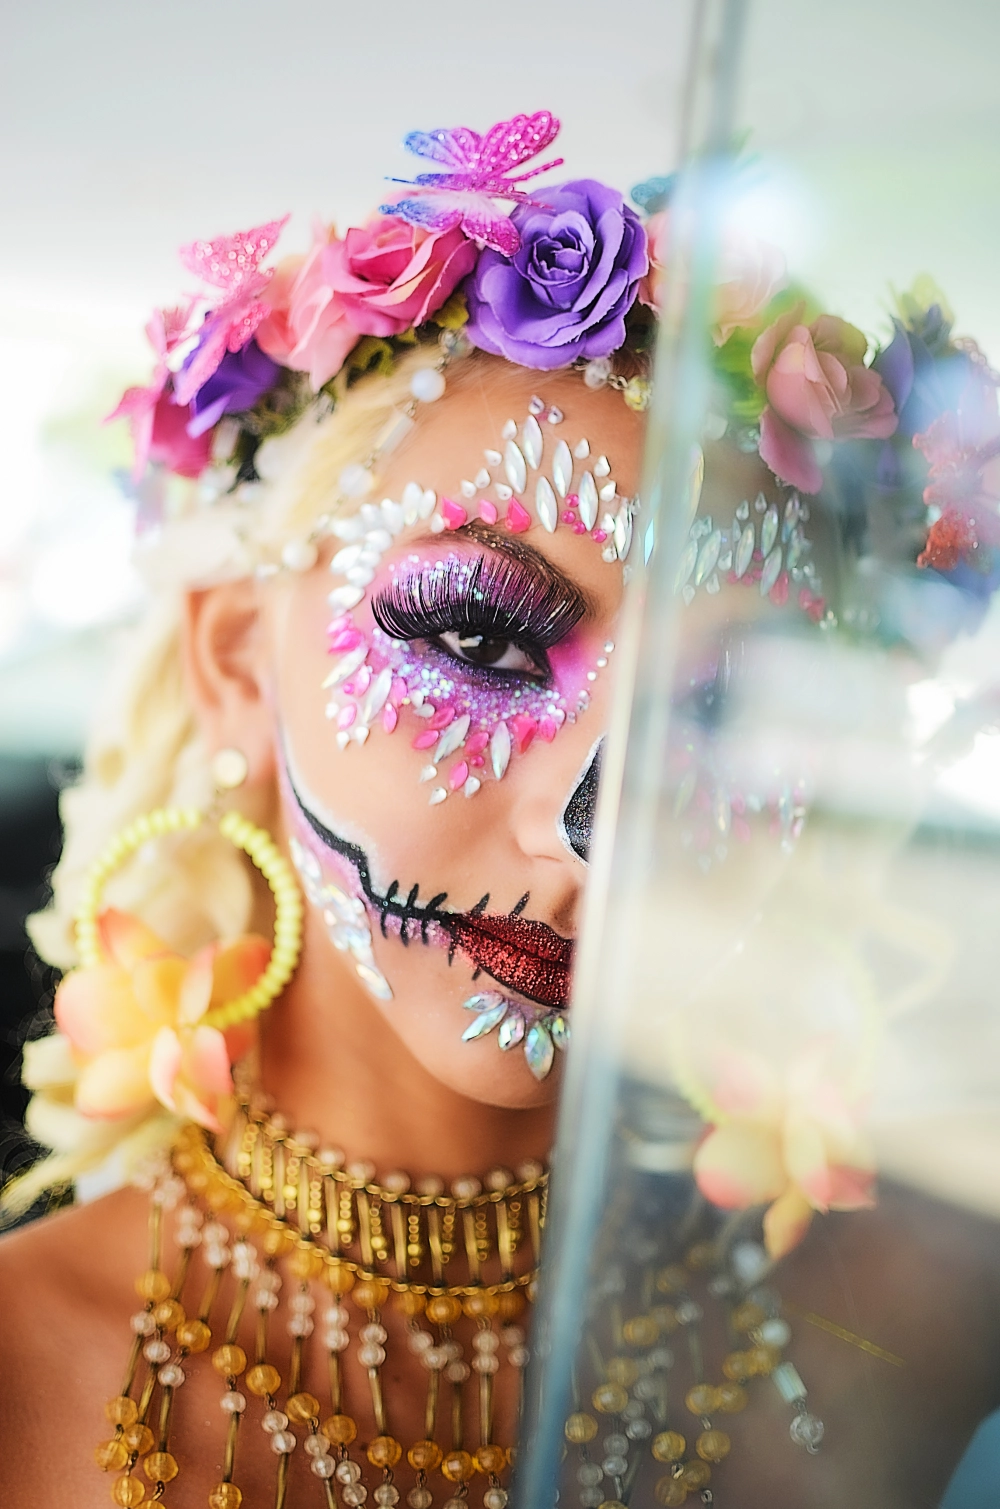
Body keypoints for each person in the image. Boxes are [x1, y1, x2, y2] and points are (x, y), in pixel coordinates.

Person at [0, 110, 997, 1509]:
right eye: (481, 641)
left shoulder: (904, 1314)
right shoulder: (19, 1379)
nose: (600, 825)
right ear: (235, 658)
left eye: (724, 703)